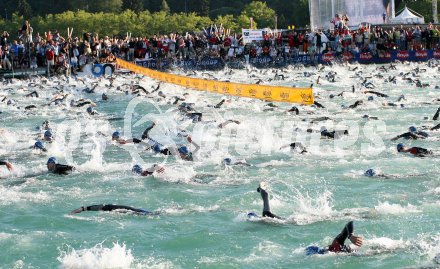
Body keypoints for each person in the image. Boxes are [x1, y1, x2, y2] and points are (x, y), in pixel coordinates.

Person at [69, 204, 156, 215]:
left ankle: (153, 213)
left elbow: (84, 208)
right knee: (136, 210)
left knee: (135, 212)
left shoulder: (102, 207)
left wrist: (73, 212)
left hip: (120, 209)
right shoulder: (104, 206)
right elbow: (85, 208)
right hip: (123, 207)